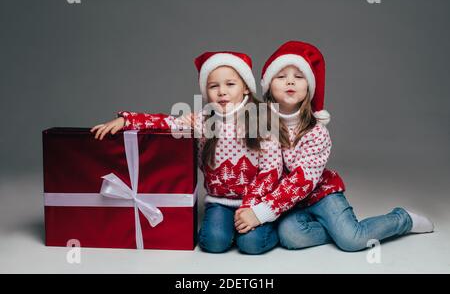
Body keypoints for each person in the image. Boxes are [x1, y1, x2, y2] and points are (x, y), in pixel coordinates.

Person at [91, 51, 283, 254]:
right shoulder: (201, 120)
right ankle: (230, 228)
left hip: (256, 202)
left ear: (245, 88)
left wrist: (251, 207)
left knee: (251, 245)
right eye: (213, 86)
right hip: (220, 202)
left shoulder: (261, 120)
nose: (222, 92)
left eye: (230, 84)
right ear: (206, 92)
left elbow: (271, 170)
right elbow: (164, 123)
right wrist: (127, 120)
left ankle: (272, 226)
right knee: (213, 242)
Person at [250, 40, 434, 252]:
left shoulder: (316, 132)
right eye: (281, 77)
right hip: (289, 201)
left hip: (320, 193)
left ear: (309, 87)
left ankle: (403, 219)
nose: (290, 82)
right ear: (268, 87)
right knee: (291, 236)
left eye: (299, 77)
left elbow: (303, 180)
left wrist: (263, 211)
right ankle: (337, 230)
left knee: (352, 241)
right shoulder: (261, 125)